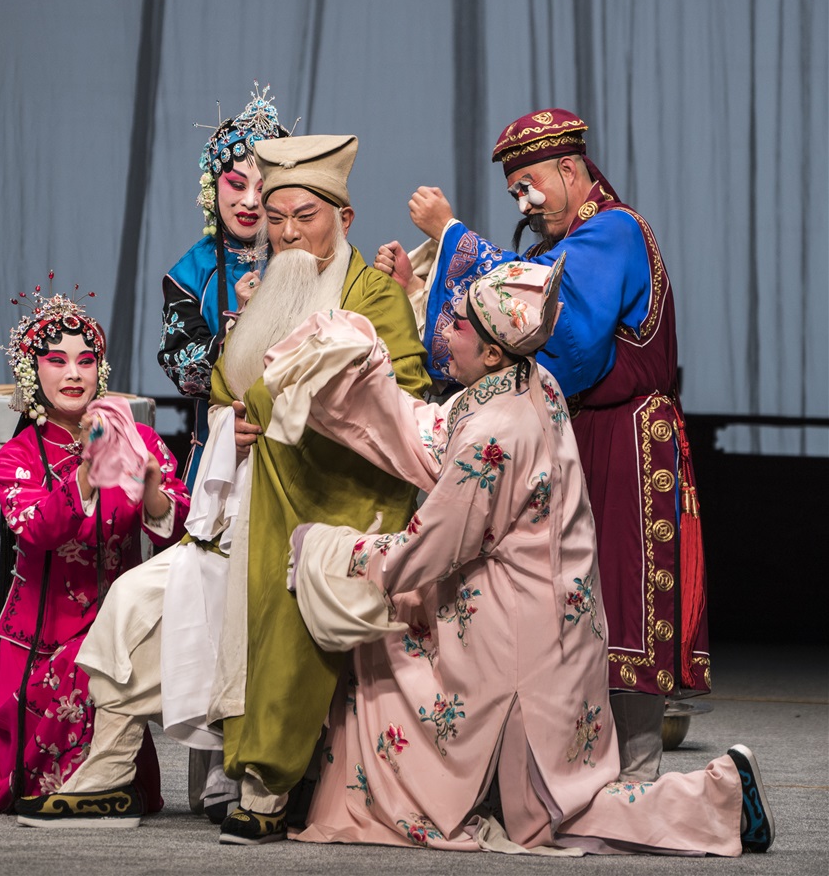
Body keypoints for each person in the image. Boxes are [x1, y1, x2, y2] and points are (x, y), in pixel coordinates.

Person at [268, 262, 773, 856]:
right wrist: (365, 376)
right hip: (559, 627)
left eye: (458, 324)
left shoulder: (496, 432)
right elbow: (436, 435)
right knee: (558, 803)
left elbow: (429, 549)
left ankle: (723, 796)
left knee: (554, 815)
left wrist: (328, 548)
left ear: (490, 353)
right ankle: (721, 799)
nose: (444, 330)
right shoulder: (532, 382)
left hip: (517, 647)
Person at [14, 135, 430, 840]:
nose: (288, 233)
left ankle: (267, 788)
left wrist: (296, 410)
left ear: (344, 218)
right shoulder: (268, 291)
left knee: (277, 621)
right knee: (133, 603)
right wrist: (229, 424)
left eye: (305, 217)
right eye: (277, 218)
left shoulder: (372, 297)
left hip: (317, 511)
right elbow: (221, 390)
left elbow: (406, 407)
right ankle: (108, 777)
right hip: (235, 507)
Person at [375, 109, 708, 782]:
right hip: (580, 435)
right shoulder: (570, 245)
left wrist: (452, 236)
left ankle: (635, 779)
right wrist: (417, 288)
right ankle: (581, 776)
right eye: (514, 193)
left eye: (528, 186)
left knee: (619, 602)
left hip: (624, 439)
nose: (524, 203)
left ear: (569, 169)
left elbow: (559, 329)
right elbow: (507, 316)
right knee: (570, 599)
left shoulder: (613, 230)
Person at [0, 288, 189, 814]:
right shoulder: (16, 457)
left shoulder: (139, 439)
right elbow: (39, 531)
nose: (74, 374)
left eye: (86, 361)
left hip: (121, 620)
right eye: (57, 361)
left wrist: (153, 488)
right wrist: (87, 473)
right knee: (37, 777)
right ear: (32, 372)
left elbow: (176, 533)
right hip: (41, 636)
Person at [158, 83, 289, 489]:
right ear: (213, 187)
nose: (250, 201)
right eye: (237, 184)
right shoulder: (190, 273)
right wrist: (239, 327)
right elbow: (182, 369)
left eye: (263, 188)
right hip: (218, 452)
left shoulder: (305, 260)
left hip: (295, 455)